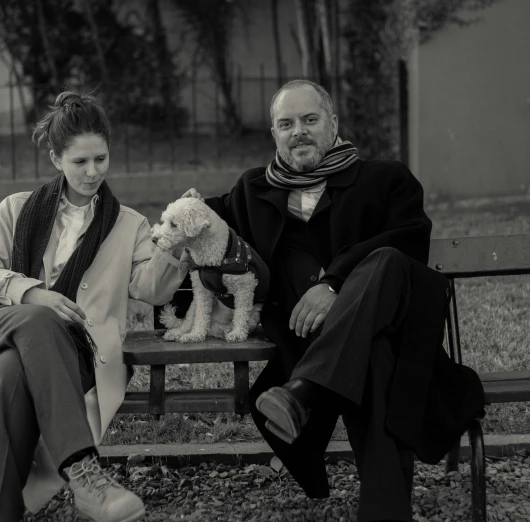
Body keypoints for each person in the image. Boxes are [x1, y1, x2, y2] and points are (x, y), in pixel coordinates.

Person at [182, 79, 485, 522]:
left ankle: (306, 392)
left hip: (386, 321)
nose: (298, 131)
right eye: (286, 124)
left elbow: (412, 240)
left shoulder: (386, 179)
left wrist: (334, 285)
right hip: (316, 344)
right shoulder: (251, 191)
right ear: (274, 134)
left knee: (385, 271)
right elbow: (196, 225)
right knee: (374, 358)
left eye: (310, 119)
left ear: (334, 123)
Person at [0, 91, 190, 522]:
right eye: (80, 162)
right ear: (56, 159)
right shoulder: (15, 210)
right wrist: (33, 293)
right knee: (36, 318)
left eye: (101, 159)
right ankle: (83, 472)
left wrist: (175, 242)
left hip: (76, 352)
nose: (93, 172)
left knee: (15, 370)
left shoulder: (130, 225)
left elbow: (154, 290)